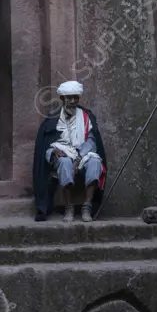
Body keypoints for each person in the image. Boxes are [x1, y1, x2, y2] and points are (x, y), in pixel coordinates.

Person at [32, 81, 107, 222]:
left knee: (95, 162)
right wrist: (54, 151)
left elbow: (91, 141)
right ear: (62, 98)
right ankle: (69, 207)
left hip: (83, 155)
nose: (72, 101)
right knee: (65, 162)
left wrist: (79, 157)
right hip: (62, 155)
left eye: (75, 98)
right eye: (69, 98)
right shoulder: (53, 119)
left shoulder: (86, 116)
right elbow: (46, 145)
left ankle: (87, 207)